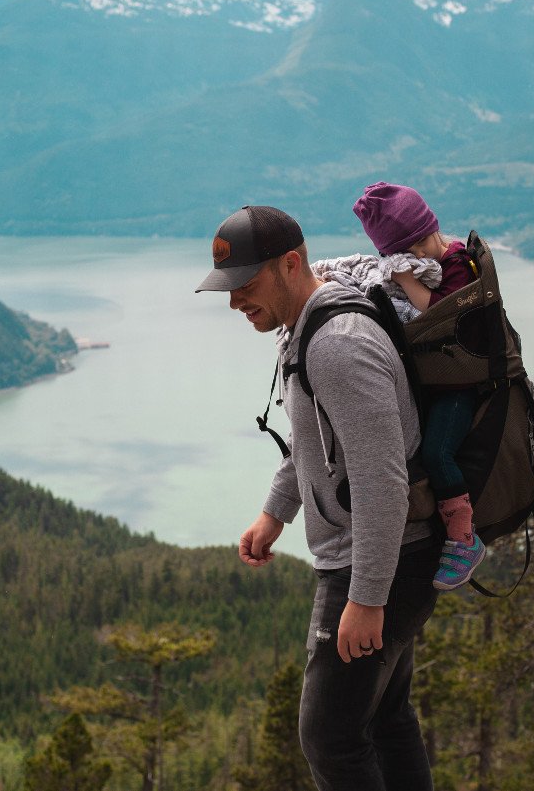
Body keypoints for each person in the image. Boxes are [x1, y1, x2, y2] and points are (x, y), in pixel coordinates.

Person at [195, 204, 441, 791]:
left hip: (377, 561)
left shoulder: (337, 344)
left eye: (245, 285)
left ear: (290, 264)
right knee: (384, 718)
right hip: (388, 555)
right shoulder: (306, 326)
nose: (234, 302)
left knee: (329, 736)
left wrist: (367, 598)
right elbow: (316, 443)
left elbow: (383, 481)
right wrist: (275, 511)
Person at [352, 182, 485, 591]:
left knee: (437, 452)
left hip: (461, 385)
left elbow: (437, 312)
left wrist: (407, 279)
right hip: (443, 379)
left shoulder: (459, 263)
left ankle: (465, 538)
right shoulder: (443, 256)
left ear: (424, 234)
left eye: (409, 251)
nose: (408, 260)